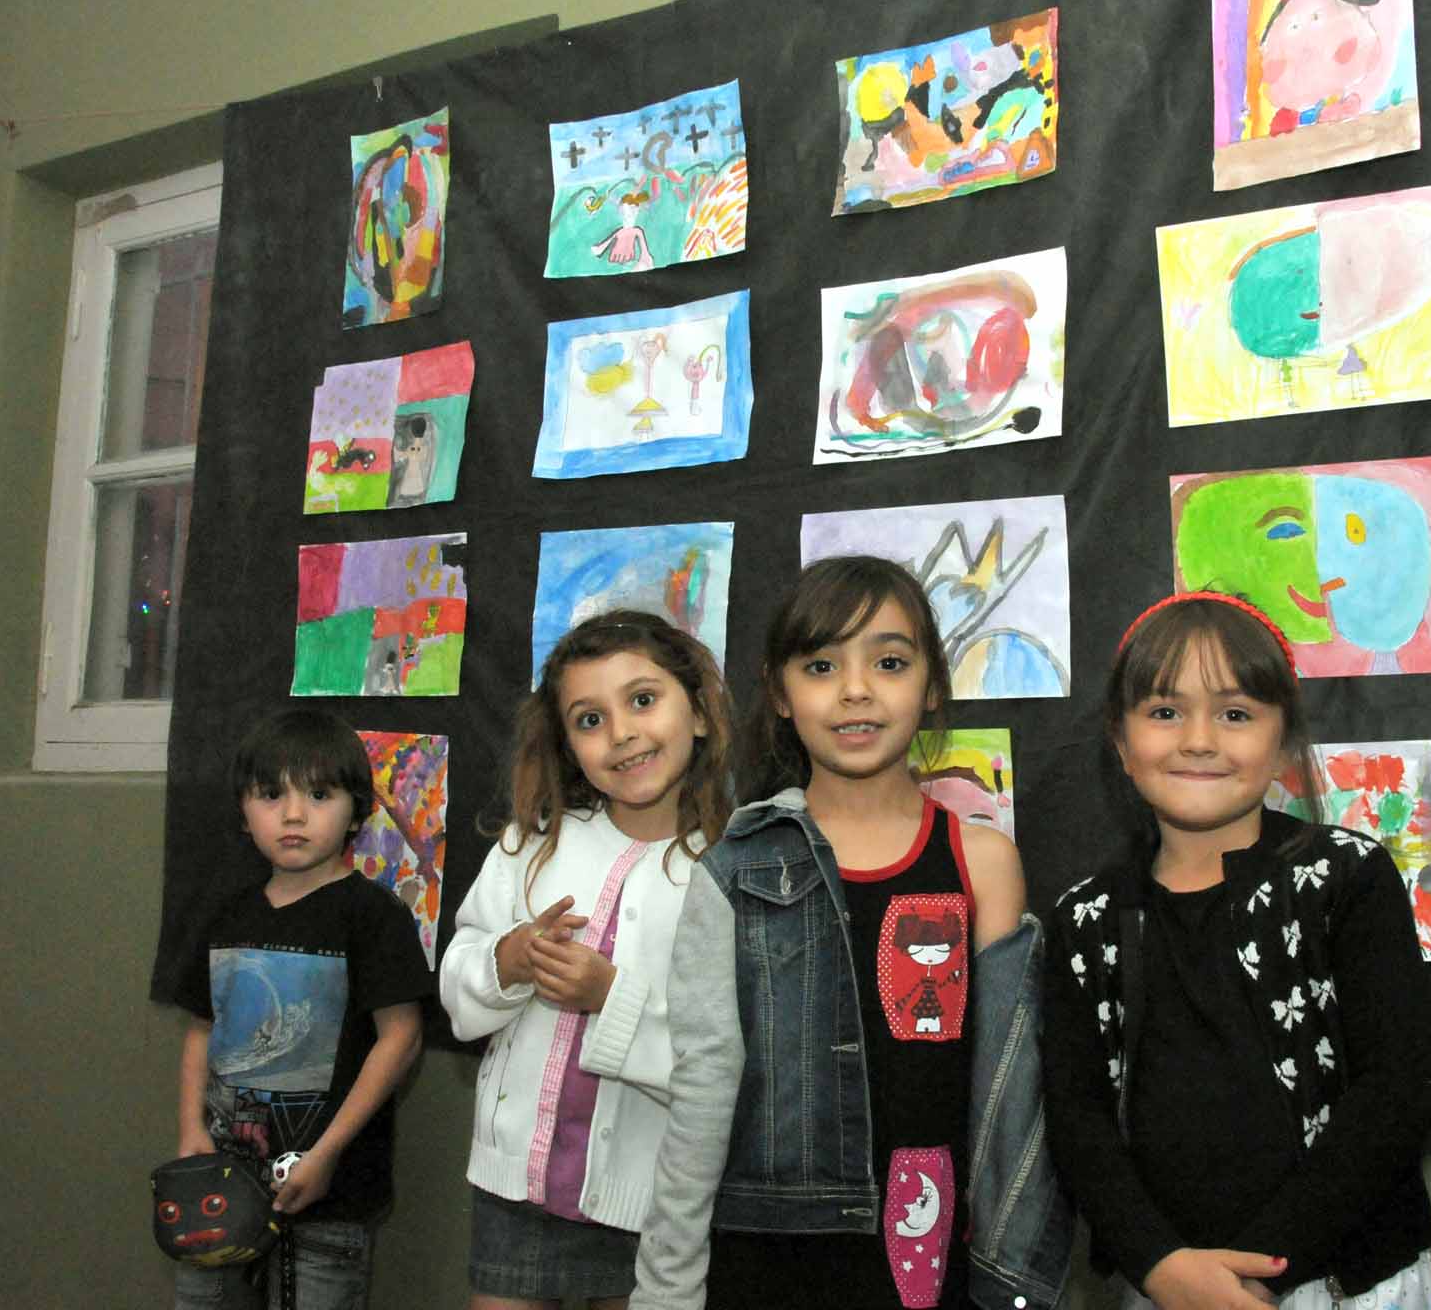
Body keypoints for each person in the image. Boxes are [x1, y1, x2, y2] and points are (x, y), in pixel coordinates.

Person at [689, 555, 1073, 1310]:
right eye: (821, 665)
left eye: (889, 662)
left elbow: (1005, 1094)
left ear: (932, 685)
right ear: (779, 694)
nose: (856, 689)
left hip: (928, 1251)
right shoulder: (736, 865)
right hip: (762, 1248)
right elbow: (701, 1082)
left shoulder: (981, 860)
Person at [1040, 591, 1431, 1310]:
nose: (1199, 740)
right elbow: (1079, 1122)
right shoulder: (1085, 920)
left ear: (1283, 743)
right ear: (1121, 742)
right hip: (1167, 1286)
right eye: (1165, 712)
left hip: (1344, 1284)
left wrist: (1258, 1272)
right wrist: (1160, 1266)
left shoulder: (1346, 878)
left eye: (1235, 714)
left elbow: (1396, 1092)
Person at [440, 610, 740, 1310]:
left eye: (643, 700)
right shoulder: (527, 847)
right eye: (589, 719)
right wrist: (509, 960)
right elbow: (457, 995)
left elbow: (721, 1058)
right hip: (513, 1191)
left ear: (698, 713)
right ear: (567, 745)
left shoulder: (728, 873)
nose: (622, 733)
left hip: (651, 1201)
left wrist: (612, 996)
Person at [171, 708, 430, 1309]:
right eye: (271, 795)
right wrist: (190, 1130)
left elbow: (401, 1038)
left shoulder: (373, 916)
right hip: (221, 1190)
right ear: (244, 812)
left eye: (318, 794)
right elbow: (201, 1030)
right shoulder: (226, 914)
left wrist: (326, 1152)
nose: (293, 814)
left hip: (328, 1197)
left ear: (356, 811)